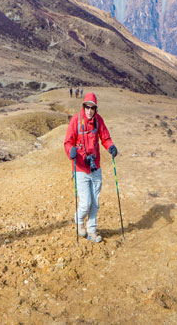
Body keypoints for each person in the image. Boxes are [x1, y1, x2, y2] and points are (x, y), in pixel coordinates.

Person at [64, 92, 117, 243]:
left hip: (96, 167)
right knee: (86, 202)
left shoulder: (98, 121)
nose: (89, 110)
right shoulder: (75, 121)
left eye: (92, 108)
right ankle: (79, 221)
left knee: (95, 202)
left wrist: (111, 147)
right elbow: (68, 142)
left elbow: (105, 138)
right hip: (80, 168)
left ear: (95, 109)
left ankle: (92, 231)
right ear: (83, 106)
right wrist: (71, 151)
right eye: (87, 107)